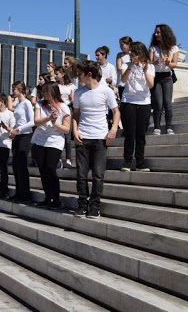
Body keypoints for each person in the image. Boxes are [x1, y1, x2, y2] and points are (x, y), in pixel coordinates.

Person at [72, 60, 120, 219]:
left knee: (98, 175)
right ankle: (82, 204)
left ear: (89, 74)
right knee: (81, 174)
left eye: (80, 74)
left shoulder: (106, 91)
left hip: (100, 138)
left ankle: (95, 206)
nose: (78, 77)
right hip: (83, 137)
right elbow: (76, 114)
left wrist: (113, 130)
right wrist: (75, 130)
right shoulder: (78, 93)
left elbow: (116, 112)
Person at [31, 83, 71, 209]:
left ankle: (56, 199)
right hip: (39, 140)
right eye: (42, 91)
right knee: (43, 170)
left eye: (45, 91)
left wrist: (55, 124)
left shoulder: (64, 107)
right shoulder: (40, 104)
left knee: (50, 168)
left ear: (52, 92)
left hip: (55, 140)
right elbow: (37, 122)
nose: (43, 94)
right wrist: (49, 118)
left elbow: (66, 129)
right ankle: (48, 198)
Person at [120, 42, 155, 172]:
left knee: (141, 134)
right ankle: (127, 161)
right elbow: (123, 80)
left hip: (144, 102)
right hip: (128, 101)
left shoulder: (149, 66)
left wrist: (145, 71)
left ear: (140, 54)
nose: (131, 56)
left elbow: (150, 85)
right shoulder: (126, 64)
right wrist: (130, 66)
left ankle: (140, 161)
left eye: (133, 54)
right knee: (130, 133)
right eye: (130, 54)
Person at [149, 24, 179, 135]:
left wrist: (169, 63)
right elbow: (149, 62)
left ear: (165, 33)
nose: (156, 34)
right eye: (155, 32)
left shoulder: (174, 48)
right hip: (156, 77)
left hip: (167, 76)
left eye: (158, 32)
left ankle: (169, 127)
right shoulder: (153, 47)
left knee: (167, 102)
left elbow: (174, 64)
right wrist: (153, 63)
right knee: (158, 103)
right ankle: (157, 127)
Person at [8, 81, 35, 203]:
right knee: (15, 165)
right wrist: (13, 130)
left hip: (25, 135)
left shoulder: (26, 103)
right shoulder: (18, 104)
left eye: (14, 89)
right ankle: (18, 192)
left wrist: (18, 129)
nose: (13, 91)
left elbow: (32, 121)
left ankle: (25, 194)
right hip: (17, 135)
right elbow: (18, 120)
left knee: (22, 165)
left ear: (20, 89)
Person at [55, 67, 77, 169]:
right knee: (59, 134)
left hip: (68, 108)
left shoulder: (71, 86)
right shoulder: (56, 86)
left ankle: (68, 159)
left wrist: (72, 99)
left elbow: (73, 100)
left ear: (63, 74)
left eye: (57, 74)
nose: (55, 76)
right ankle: (58, 159)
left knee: (68, 136)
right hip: (58, 108)